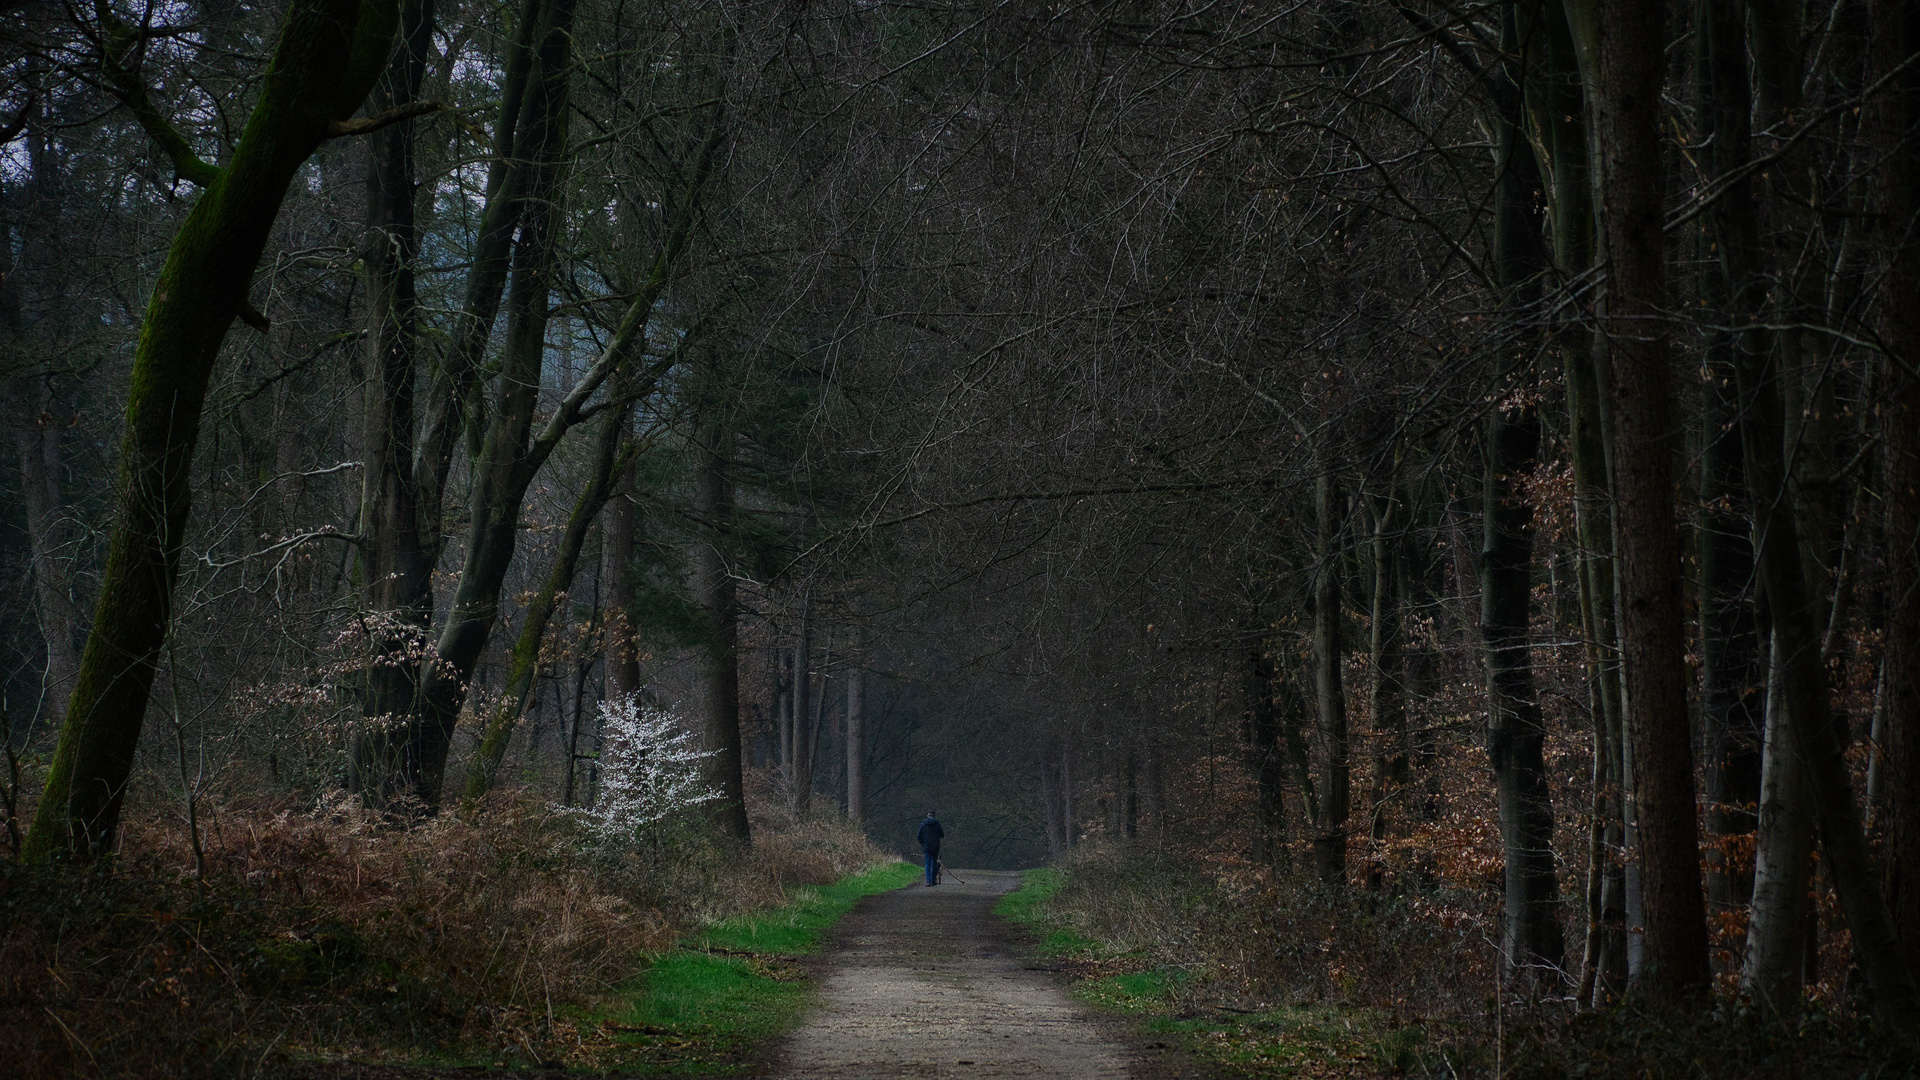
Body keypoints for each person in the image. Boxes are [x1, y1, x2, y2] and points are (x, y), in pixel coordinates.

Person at [917, 810, 944, 886]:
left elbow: (918, 836)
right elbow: (942, 835)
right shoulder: (937, 824)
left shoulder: (923, 824)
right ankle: (933, 880)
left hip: (926, 846)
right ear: (934, 816)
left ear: (928, 816)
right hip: (935, 846)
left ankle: (928, 881)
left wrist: (923, 843)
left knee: (927, 863)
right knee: (934, 863)